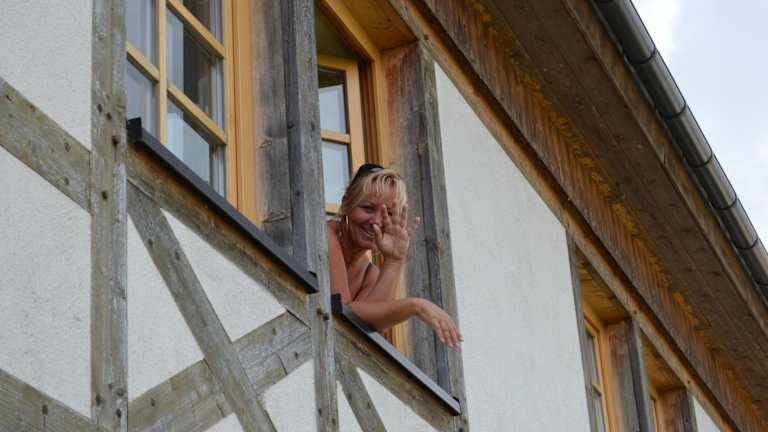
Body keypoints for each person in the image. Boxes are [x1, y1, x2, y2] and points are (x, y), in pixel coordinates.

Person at [327, 163, 463, 348]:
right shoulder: (327, 235)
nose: (376, 221)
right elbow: (342, 313)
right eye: (367, 208)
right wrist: (416, 306)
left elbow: (370, 325)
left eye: (388, 213)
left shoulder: (370, 274)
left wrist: (394, 260)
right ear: (345, 204)